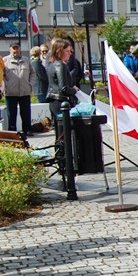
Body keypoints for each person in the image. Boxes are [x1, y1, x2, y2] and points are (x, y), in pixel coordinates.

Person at [46, 37, 81, 180]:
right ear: (60, 51)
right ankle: (65, 166)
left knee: (61, 136)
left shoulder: (54, 64)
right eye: (67, 51)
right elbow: (64, 88)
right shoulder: (60, 65)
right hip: (60, 103)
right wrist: (75, 90)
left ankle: (64, 165)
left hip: (57, 102)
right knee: (62, 136)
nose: (70, 54)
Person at [2, 43, 33, 134]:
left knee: (26, 113)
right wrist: (6, 85)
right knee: (11, 114)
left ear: (20, 49)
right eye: (13, 48)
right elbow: (1, 75)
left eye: (17, 48)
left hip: (25, 91)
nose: (16, 50)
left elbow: (33, 73)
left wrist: (30, 84)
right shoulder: (5, 61)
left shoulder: (26, 60)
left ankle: (27, 130)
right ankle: (12, 131)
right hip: (11, 92)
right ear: (10, 50)